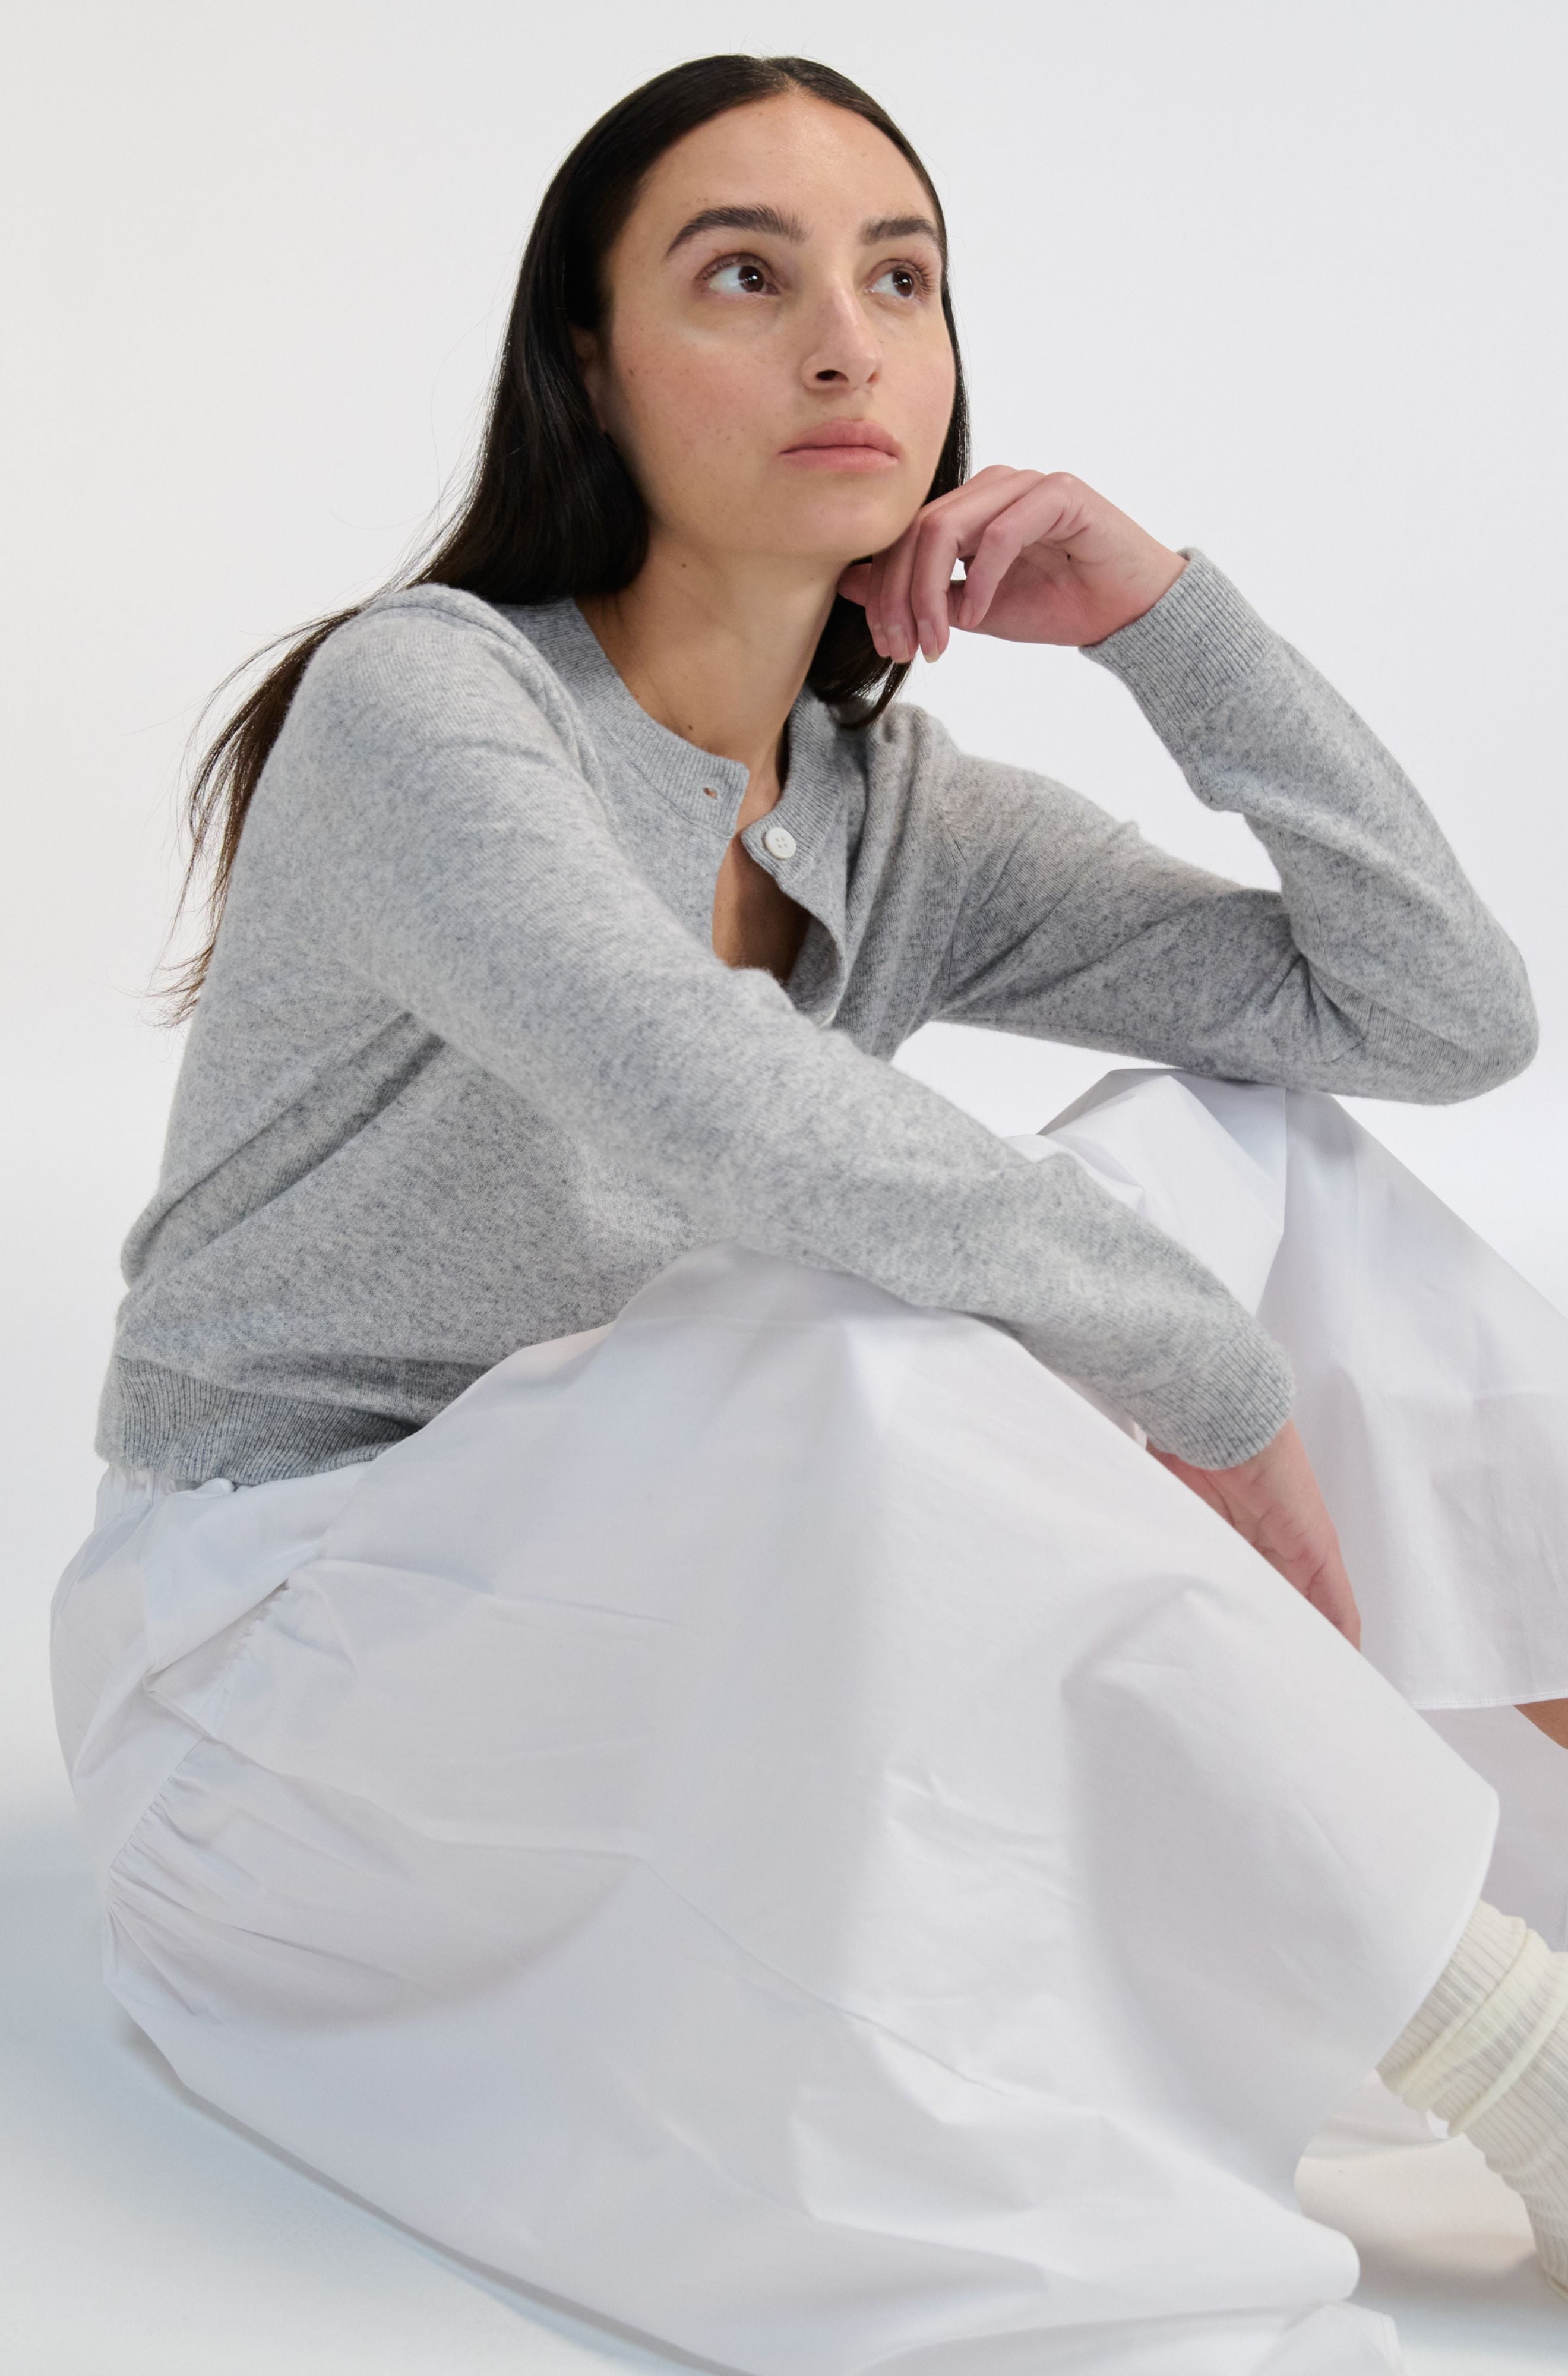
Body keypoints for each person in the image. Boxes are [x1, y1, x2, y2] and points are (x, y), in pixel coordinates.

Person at [49, 49, 1568, 2376]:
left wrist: (1165, 619)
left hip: (647, 1628)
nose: (848, 345)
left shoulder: (885, 806)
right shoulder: (425, 705)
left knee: (1255, 1154)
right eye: (745, 278)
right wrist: (1203, 1378)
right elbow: (722, 1107)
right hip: (282, 1706)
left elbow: (1434, 1014)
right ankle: (1521, 2061)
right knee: (862, 1327)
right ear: (590, 365)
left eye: (901, 278)